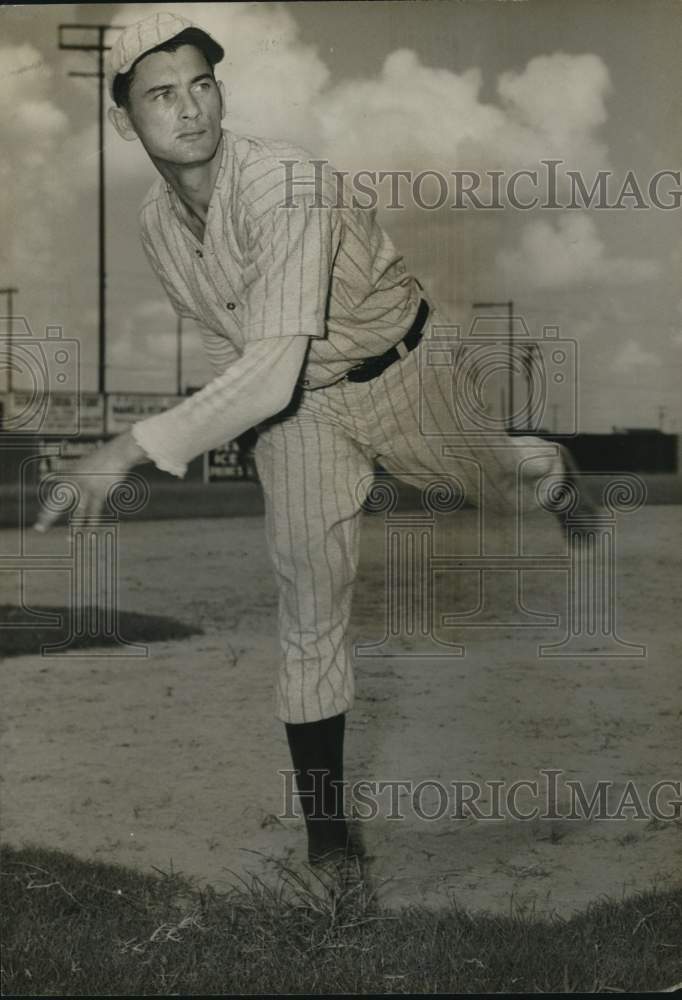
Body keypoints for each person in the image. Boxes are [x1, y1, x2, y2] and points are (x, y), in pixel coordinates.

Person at [35, 12, 578, 873]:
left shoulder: (283, 183)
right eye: (161, 94)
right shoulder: (156, 224)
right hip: (301, 413)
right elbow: (234, 351)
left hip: (405, 372)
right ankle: (331, 851)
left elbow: (271, 365)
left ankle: (543, 469)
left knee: (508, 484)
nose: (191, 110)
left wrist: (123, 448)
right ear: (122, 119)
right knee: (309, 607)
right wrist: (261, 443)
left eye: (202, 85)